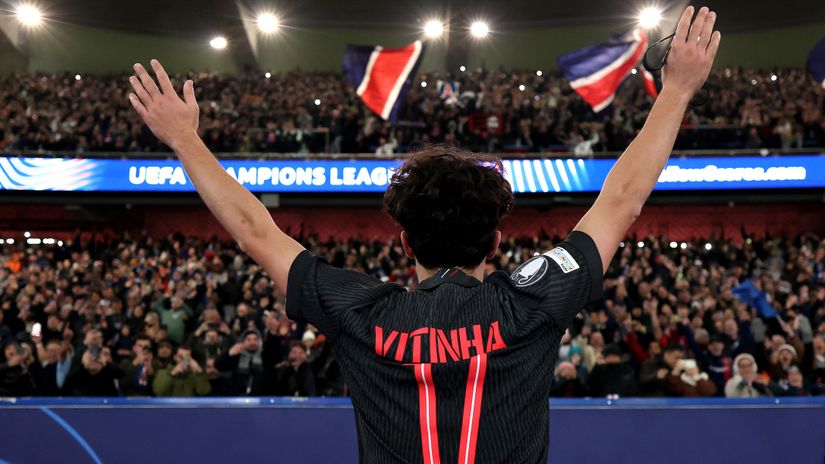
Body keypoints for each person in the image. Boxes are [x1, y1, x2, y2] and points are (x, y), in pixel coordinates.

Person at [127, 7, 720, 461]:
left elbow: (256, 230)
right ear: (494, 244)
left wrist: (186, 139)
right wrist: (677, 90)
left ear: (404, 243)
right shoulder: (533, 300)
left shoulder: (362, 312)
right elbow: (622, 199)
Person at [215, 328, 266, 395]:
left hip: (261, 396)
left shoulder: (265, 355)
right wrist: (229, 354)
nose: (252, 342)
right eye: (249, 339)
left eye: (255, 339)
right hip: (237, 396)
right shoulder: (236, 356)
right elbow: (218, 366)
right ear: (243, 341)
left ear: (259, 342)